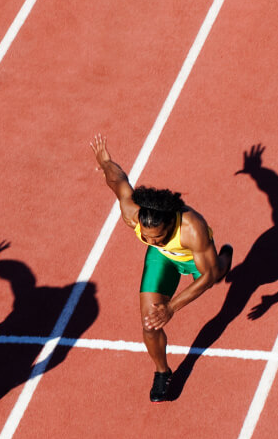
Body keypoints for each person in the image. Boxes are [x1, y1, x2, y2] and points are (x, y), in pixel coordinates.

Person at [92, 134, 231, 402]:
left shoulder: (193, 229)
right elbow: (118, 181)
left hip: (192, 256)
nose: (151, 240)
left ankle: (226, 256)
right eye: (147, 236)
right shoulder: (133, 214)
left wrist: (171, 307)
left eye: (159, 236)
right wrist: (106, 161)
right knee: (149, 324)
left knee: (216, 274)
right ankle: (162, 372)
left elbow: (207, 276)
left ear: (171, 224)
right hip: (162, 259)